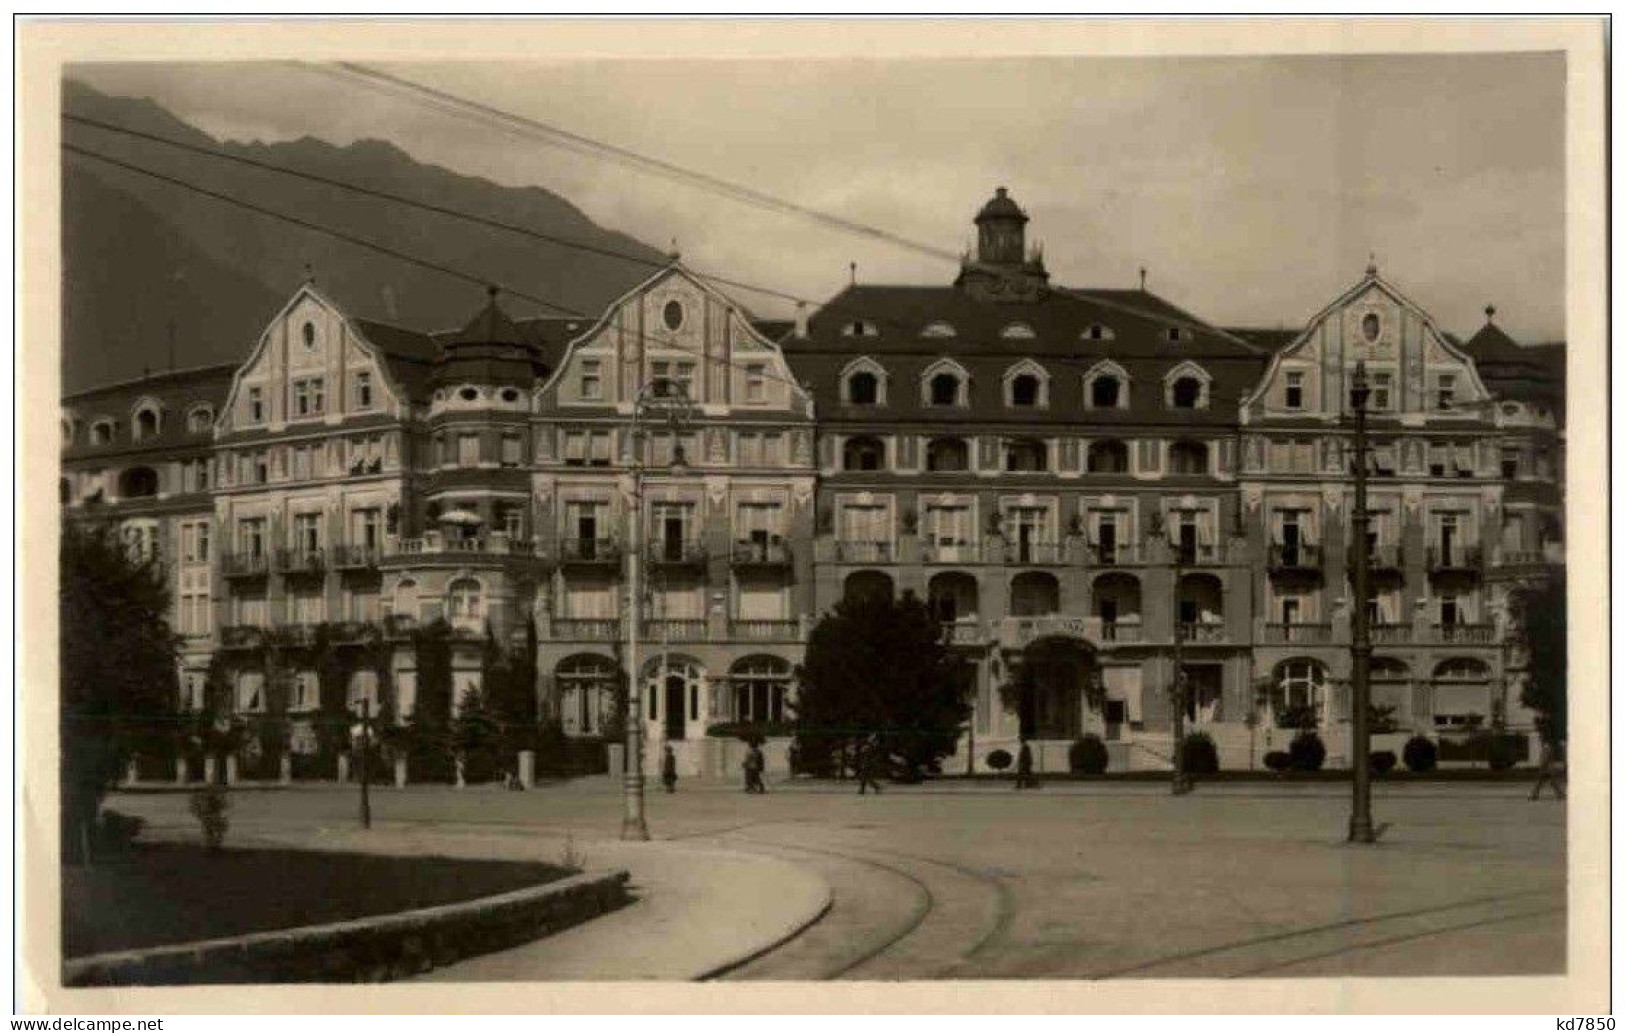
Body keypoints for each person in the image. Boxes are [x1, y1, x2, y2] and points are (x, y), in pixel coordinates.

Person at [1530, 736, 1566, 800]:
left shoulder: (1547, 747)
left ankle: (1534, 794)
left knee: (1542, 781)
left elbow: (1545, 758)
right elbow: (1546, 757)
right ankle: (1560, 794)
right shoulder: (1552, 746)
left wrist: (1543, 765)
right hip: (1549, 767)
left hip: (1547, 767)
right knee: (1550, 781)